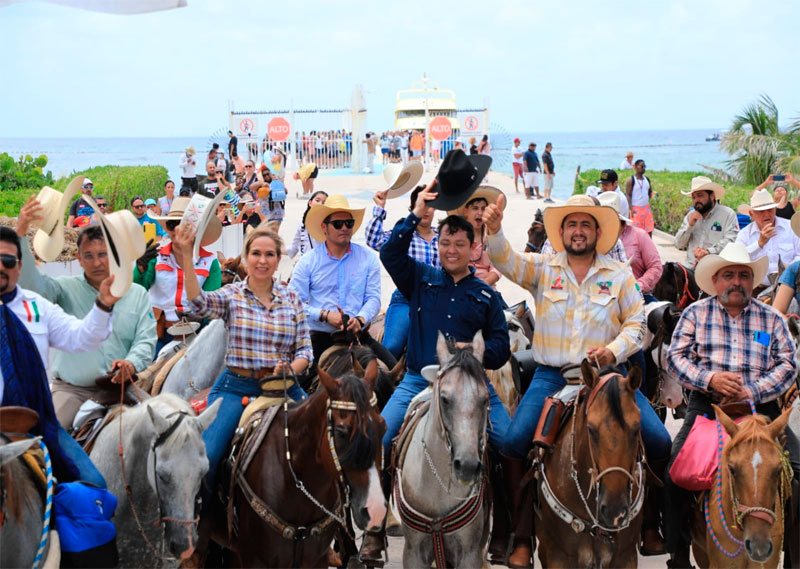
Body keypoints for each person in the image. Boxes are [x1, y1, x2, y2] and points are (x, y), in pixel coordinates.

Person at [484, 193, 672, 565]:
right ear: (562, 232)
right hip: (553, 377)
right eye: (572, 224)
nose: (578, 231)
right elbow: (506, 260)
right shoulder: (543, 268)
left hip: (608, 378)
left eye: (586, 224)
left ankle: (650, 524)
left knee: (659, 440)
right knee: (513, 441)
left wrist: (612, 352)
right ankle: (520, 535)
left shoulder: (619, 275)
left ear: (598, 231)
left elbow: (636, 325)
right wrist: (494, 230)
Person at [362, 183, 512, 561]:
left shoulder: (485, 295)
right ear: (438, 245)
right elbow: (390, 251)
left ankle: (507, 526)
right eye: (445, 243)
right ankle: (375, 527)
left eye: (460, 244)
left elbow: (501, 347)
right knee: (378, 439)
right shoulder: (419, 278)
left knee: (510, 442)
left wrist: (473, 354)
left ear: (474, 248)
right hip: (418, 378)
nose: (451, 250)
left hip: (472, 385)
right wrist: (416, 214)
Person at [173, 225, 311, 565]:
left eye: (269, 254)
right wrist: (188, 261)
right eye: (256, 253)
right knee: (204, 459)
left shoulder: (292, 298)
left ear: (279, 259)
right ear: (246, 258)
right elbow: (197, 303)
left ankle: (332, 534)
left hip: (285, 387)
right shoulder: (232, 295)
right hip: (238, 387)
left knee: (332, 442)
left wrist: (291, 367)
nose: (262, 260)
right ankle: (197, 538)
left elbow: (305, 348)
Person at [664, 242, 799, 569]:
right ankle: (678, 553)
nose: (736, 281)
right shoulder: (696, 313)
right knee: (673, 474)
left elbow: (787, 364)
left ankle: (795, 557)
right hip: (708, 409)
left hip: (762, 412)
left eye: (743, 275)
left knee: (799, 473)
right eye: (729, 275)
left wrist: (751, 391)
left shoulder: (771, 318)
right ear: (716, 281)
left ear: (752, 282)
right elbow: (675, 359)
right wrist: (710, 380)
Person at [16, 200, 156, 430]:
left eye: (102, 254)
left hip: (122, 388)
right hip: (73, 390)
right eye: (88, 256)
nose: (97, 262)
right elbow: (33, 287)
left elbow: (146, 339)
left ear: (113, 255)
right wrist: (21, 235)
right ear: (79, 259)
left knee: (165, 428)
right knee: (48, 437)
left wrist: (131, 363)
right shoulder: (63, 288)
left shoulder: (137, 294)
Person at [1, 225, 119, 487]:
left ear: (19, 266)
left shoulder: (37, 306)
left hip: (36, 421)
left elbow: (81, 338)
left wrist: (102, 306)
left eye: (7, 260)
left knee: (94, 484)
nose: (1, 266)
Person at [288, 195, 395, 372]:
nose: (344, 228)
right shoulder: (308, 261)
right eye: (338, 224)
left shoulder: (368, 258)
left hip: (358, 335)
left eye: (349, 223)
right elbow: (292, 303)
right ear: (324, 227)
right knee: (295, 388)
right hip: (321, 337)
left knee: (396, 376)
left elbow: (373, 298)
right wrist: (324, 315)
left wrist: (360, 320)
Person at [134, 197, 222, 352]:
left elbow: (210, 302)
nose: (177, 230)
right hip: (159, 333)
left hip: (197, 333)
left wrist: (199, 318)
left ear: (196, 228)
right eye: (172, 224)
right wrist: (140, 267)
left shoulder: (211, 262)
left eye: (183, 225)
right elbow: (138, 289)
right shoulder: (155, 256)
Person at [366, 185, 439, 359]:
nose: (426, 210)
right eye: (422, 205)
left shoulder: (443, 237)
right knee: (392, 347)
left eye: (431, 205)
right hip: (407, 299)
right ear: (414, 207)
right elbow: (373, 240)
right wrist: (379, 209)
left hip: (438, 300)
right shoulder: (404, 235)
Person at [598, 192, 662, 302]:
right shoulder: (597, 239)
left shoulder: (639, 235)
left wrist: (638, 286)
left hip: (637, 296)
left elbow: (655, 267)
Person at [734, 189, 800, 288]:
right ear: (752, 214)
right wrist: (759, 244)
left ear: (775, 210)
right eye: (761, 212)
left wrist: (791, 268)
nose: (766, 215)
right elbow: (736, 259)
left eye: (770, 210)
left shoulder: (790, 228)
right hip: (756, 289)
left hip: (789, 286)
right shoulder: (745, 234)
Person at [674, 176, 738, 268]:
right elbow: (678, 244)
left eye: (700, 195)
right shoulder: (690, 216)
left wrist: (709, 251)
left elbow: (731, 241)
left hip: (716, 269)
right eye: (693, 197)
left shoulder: (728, 214)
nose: (696, 200)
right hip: (691, 269)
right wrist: (690, 225)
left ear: (712, 196)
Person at [452, 188, 503, 289]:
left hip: (488, 289)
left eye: (483, 209)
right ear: (466, 211)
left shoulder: (491, 238)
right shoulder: (456, 238)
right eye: (475, 208)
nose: (480, 213)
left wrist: (484, 283)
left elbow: (497, 268)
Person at [286, 190, 328, 260]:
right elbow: (293, 249)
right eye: (317, 200)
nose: (320, 204)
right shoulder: (302, 226)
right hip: (306, 265)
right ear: (310, 203)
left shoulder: (331, 225)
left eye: (324, 202)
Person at [625, 159, 655, 235]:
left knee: (648, 230)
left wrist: (653, 195)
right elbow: (628, 195)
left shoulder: (647, 179)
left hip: (646, 209)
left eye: (644, 166)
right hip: (636, 209)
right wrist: (631, 208)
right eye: (641, 166)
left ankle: (648, 245)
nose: (643, 168)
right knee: (636, 231)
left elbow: (649, 192)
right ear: (635, 167)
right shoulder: (631, 180)